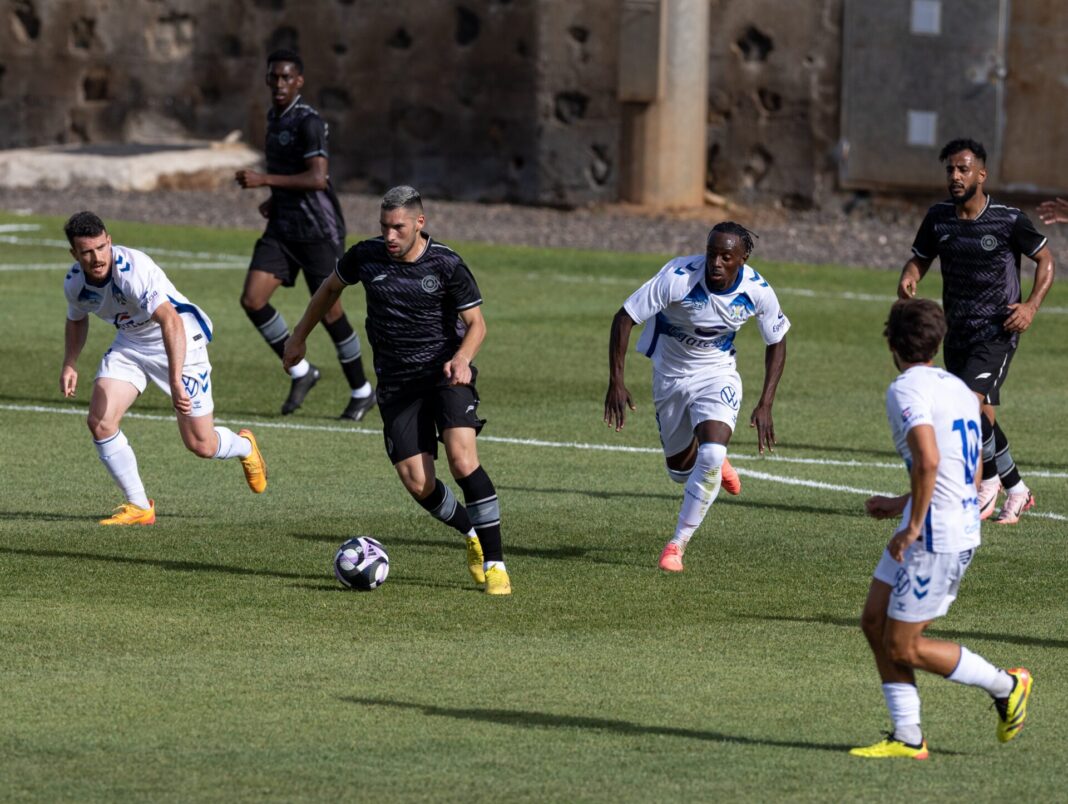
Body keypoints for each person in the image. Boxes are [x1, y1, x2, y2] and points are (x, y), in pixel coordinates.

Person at [283, 186, 511, 595]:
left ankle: (495, 564)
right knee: (416, 481)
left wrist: (462, 358)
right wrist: (299, 336)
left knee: (461, 460)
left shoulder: (445, 264)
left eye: (398, 227)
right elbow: (329, 288)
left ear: (419, 224)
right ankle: (470, 531)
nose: (390, 235)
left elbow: (477, 324)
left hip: (446, 373)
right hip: (397, 382)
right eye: (385, 226)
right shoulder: (366, 256)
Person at [851, 298, 1032, 760]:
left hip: (937, 535)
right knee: (875, 621)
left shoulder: (906, 390)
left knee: (904, 645)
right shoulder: (957, 388)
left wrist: (911, 525)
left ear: (890, 341)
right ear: (939, 341)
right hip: (945, 520)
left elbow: (930, 459)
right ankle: (907, 736)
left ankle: (1007, 686)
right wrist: (901, 503)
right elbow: (967, 472)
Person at [60, 211, 267, 525]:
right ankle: (140, 507)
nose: (97, 257)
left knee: (201, 444)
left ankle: (244, 446)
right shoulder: (75, 283)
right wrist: (70, 363)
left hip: (180, 339)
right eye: (87, 252)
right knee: (100, 422)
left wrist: (176, 380)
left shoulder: (132, 271)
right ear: (75, 254)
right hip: (131, 343)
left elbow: (169, 320)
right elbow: (77, 318)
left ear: (109, 241)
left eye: (102, 247)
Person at [604, 222, 788, 572]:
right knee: (679, 472)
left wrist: (766, 402)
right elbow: (625, 317)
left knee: (713, 451)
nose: (716, 263)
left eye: (726, 256)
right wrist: (617, 381)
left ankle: (677, 544)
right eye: (711, 253)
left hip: (717, 373)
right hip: (669, 376)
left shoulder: (757, 291)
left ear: (742, 259)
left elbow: (777, 339)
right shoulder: (678, 277)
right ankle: (714, 462)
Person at [898, 138, 1054, 525]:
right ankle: (1017, 488)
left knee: (966, 406)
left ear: (981, 175)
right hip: (957, 330)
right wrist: (909, 276)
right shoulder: (939, 218)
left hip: (998, 330)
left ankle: (986, 484)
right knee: (982, 413)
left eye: (963, 169)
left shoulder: (1007, 219)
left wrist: (1031, 306)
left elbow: (1045, 259)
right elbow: (920, 257)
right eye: (950, 169)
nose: (955, 176)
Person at [235, 48, 375, 421]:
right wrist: (274, 198)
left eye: (286, 78)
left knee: (330, 314)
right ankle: (301, 370)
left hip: (317, 231)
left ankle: (361, 390)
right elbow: (293, 176)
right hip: (282, 227)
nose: (279, 84)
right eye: (273, 77)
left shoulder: (309, 122)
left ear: (299, 81)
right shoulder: (273, 117)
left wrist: (265, 180)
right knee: (253, 299)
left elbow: (317, 178)